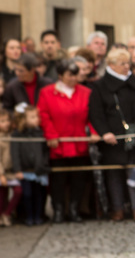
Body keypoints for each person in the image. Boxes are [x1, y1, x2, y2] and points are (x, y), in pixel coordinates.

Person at [88, 47, 135, 221]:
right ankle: (117, 208)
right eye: (122, 63)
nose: (127, 67)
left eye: (128, 63)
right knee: (114, 174)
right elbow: (96, 113)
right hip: (112, 138)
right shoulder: (100, 85)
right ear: (111, 65)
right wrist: (104, 133)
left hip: (134, 136)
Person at [37, 59, 95, 224]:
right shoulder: (47, 92)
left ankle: (75, 209)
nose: (73, 78)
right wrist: (51, 135)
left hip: (79, 142)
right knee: (58, 180)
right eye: (70, 75)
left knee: (79, 178)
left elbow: (92, 115)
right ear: (60, 75)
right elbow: (44, 115)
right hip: (59, 143)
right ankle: (59, 210)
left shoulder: (85, 92)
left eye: (75, 74)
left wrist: (93, 132)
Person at [11, 106, 49, 225]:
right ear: (24, 119)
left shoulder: (40, 133)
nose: (37, 119)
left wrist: (44, 165)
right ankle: (29, 216)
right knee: (27, 194)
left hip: (38, 170)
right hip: (24, 171)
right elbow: (15, 153)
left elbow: (45, 152)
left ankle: (38, 217)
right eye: (33, 117)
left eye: (37, 116)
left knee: (39, 194)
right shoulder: (17, 135)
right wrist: (17, 169)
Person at [0, 109, 19, 226]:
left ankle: (7, 213)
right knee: (2, 195)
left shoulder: (13, 136)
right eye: (2, 121)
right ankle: (2, 215)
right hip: (2, 172)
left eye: (7, 120)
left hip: (11, 171)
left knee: (18, 191)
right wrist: (1, 174)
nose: (6, 123)